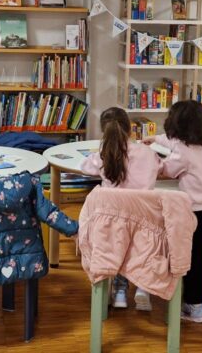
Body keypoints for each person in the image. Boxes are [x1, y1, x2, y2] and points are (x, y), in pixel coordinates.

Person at [143, 100, 202, 323]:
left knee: (191, 255)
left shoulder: (182, 153)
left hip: (201, 212)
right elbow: (173, 142)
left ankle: (195, 305)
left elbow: (166, 171)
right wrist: (155, 139)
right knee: (198, 249)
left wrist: (148, 157)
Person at [80, 107, 162, 311]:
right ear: (130, 129)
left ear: (103, 132)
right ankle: (143, 287)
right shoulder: (147, 153)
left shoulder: (103, 156)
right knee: (140, 244)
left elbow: (84, 167)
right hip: (146, 222)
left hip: (113, 224)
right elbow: (160, 168)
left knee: (120, 242)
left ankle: (120, 292)